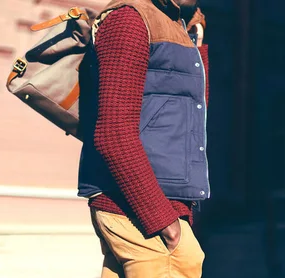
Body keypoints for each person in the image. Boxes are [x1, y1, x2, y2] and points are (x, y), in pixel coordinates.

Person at [76, 0, 210, 277]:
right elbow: (113, 133)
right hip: (137, 208)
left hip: (155, 206)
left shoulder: (177, 23)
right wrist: (165, 223)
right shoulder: (130, 19)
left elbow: (194, 114)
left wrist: (196, 36)